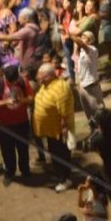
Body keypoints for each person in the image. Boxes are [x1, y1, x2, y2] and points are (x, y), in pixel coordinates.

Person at [33, 62, 76, 193]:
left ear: (47, 76)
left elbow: (64, 112)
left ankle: (65, 179)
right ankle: (60, 175)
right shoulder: (45, 85)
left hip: (59, 131)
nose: (37, 77)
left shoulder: (61, 88)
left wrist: (64, 129)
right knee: (54, 153)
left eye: (39, 75)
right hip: (50, 130)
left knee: (61, 155)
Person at [0, 64, 34, 186]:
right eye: (10, 82)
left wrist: (22, 100)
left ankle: (25, 170)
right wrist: (5, 102)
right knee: (7, 150)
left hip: (21, 121)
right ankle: (9, 172)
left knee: (23, 148)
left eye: (14, 81)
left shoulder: (23, 81)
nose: (13, 83)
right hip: (4, 123)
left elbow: (31, 98)